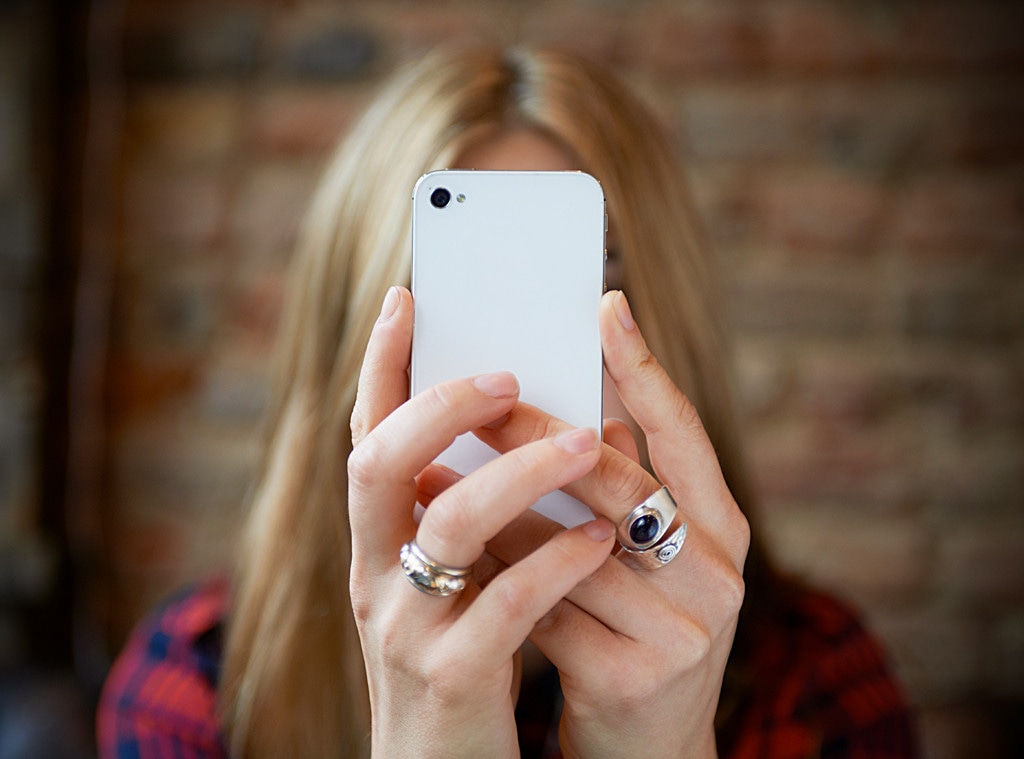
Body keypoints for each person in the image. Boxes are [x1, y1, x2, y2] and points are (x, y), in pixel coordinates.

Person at [97, 46, 917, 758]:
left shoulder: (818, 681)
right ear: (356, 350)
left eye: (585, 287)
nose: (513, 388)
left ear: (664, 334)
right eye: (460, 304)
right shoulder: (197, 683)